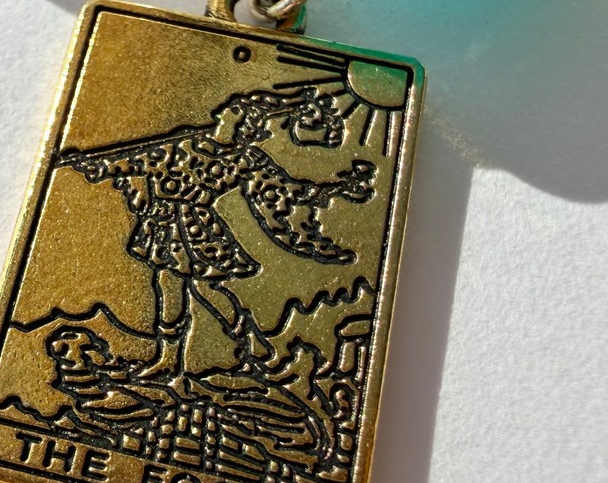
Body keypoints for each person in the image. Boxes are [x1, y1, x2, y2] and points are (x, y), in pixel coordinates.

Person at [64, 88, 375, 378]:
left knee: (204, 289)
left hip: (196, 229)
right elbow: (139, 160)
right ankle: (173, 359)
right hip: (164, 222)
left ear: (243, 124)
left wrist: (336, 189)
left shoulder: (244, 159)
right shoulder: (186, 142)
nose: (219, 114)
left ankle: (251, 348)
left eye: (230, 113)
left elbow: (283, 191)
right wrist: (99, 166)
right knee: (170, 286)